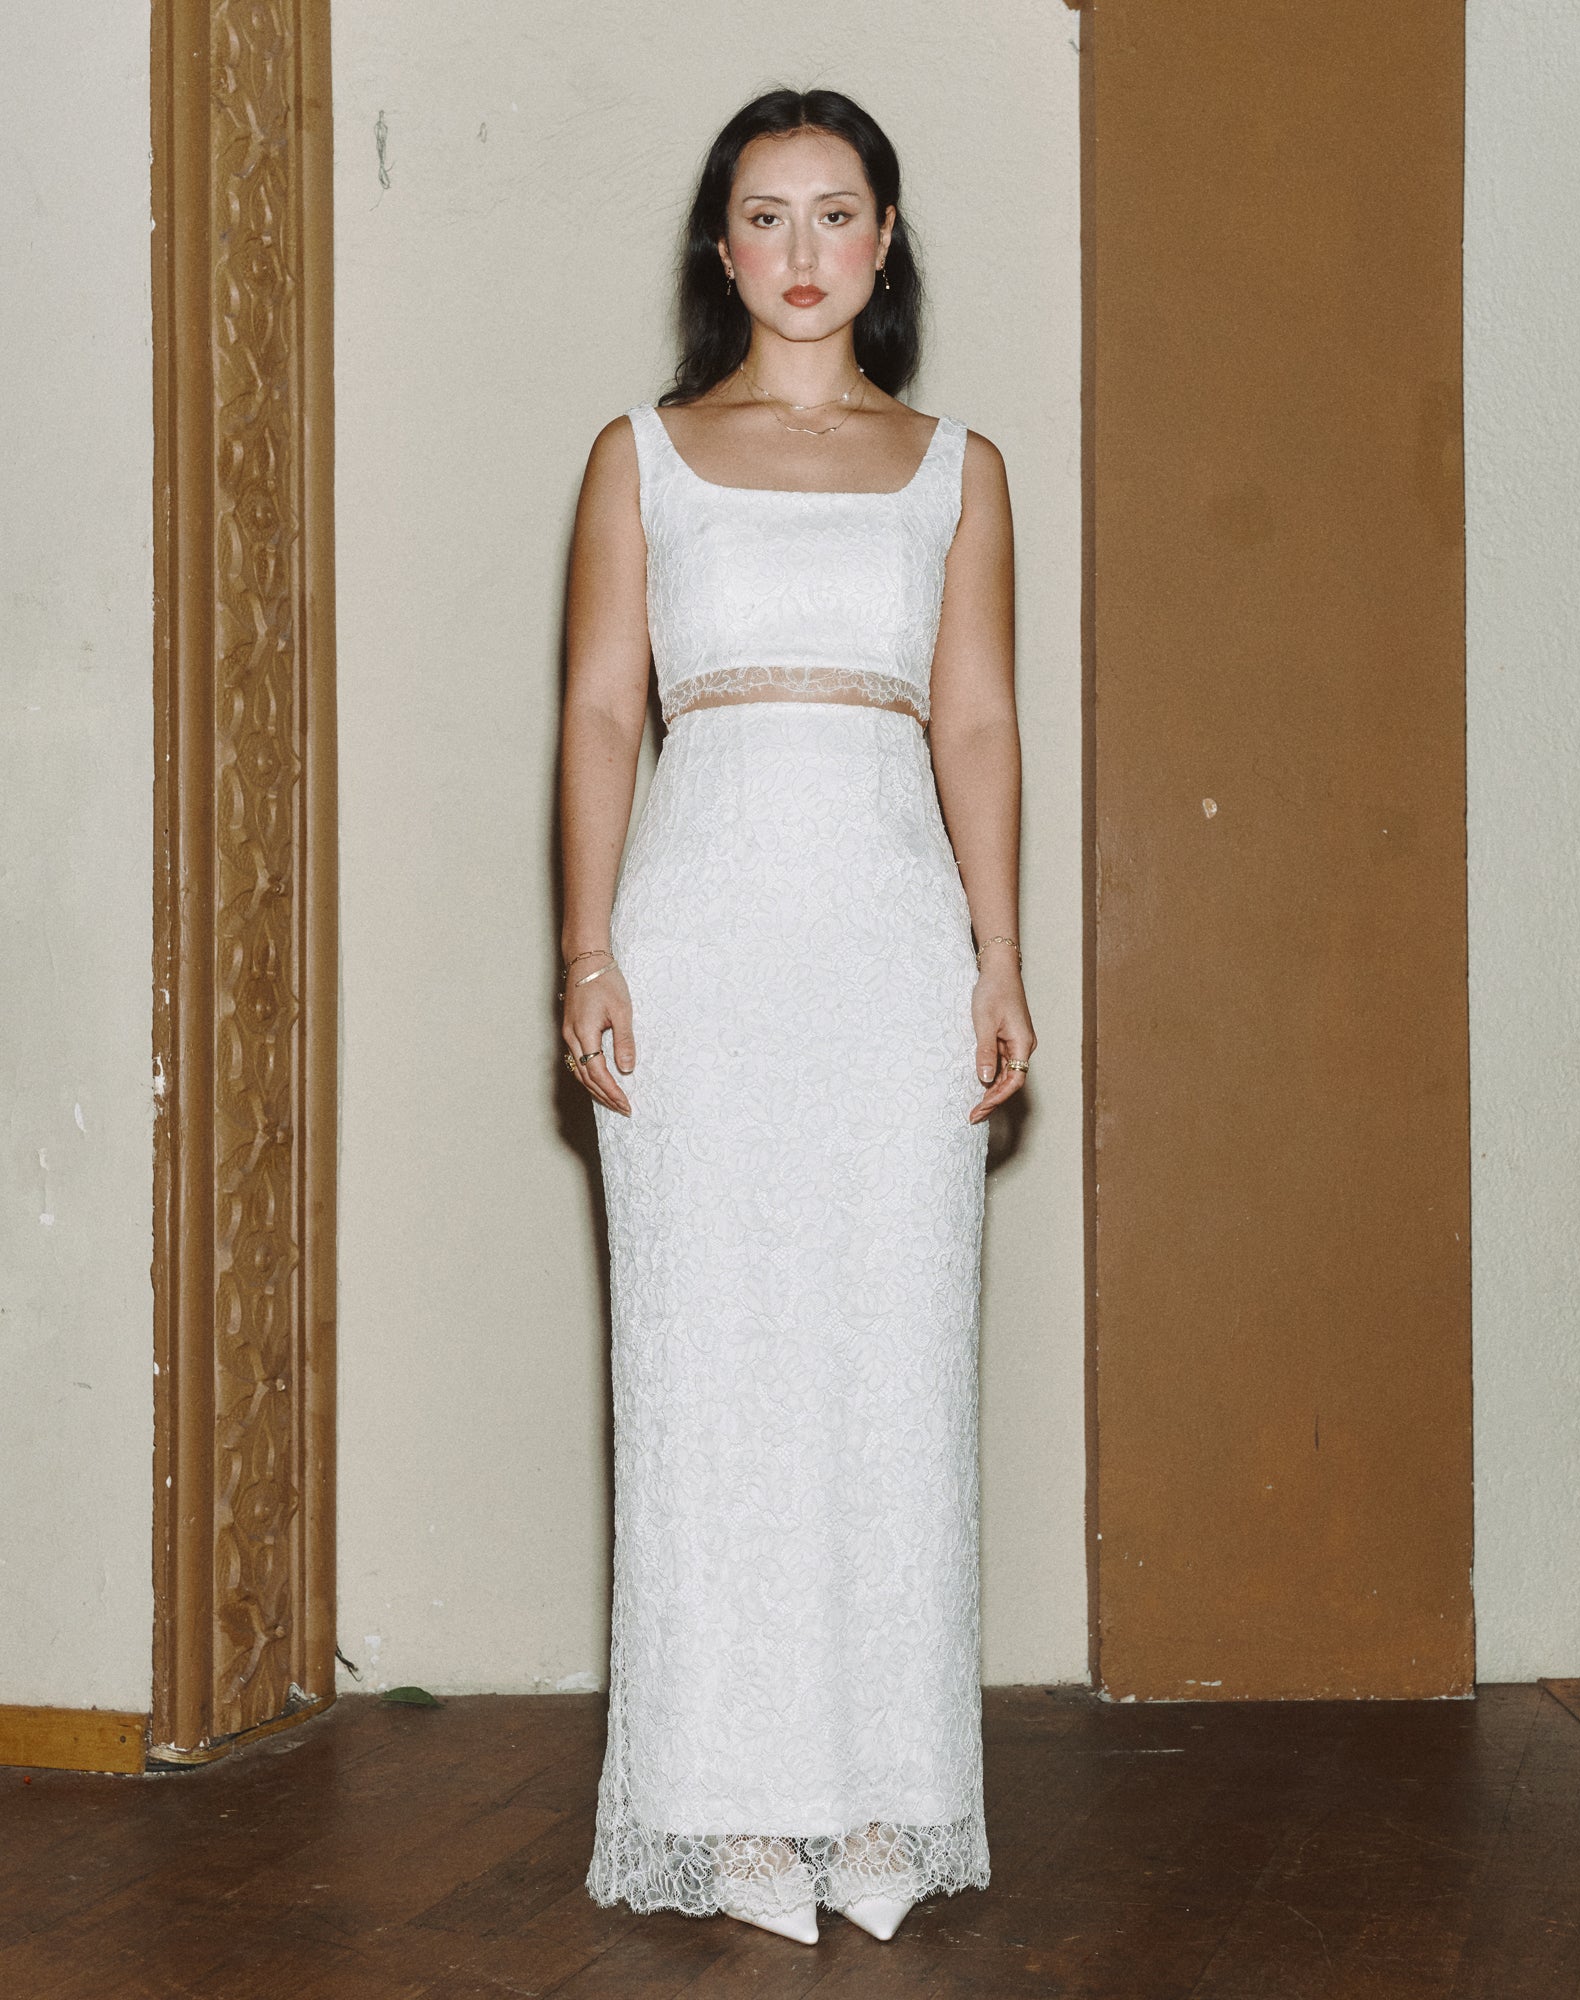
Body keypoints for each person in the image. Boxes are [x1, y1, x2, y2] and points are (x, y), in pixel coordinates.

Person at [557, 85, 1035, 1947]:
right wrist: (588, 949)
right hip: (701, 952)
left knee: (893, 1363)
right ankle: (734, 1805)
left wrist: (998, 955)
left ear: (886, 239)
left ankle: (889, 1793)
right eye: (768, 216)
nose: (805, 250)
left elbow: (975, 719)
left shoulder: (958, 466)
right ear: (724, 245)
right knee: (713, 1370)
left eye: (839, 213)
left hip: (890, 950)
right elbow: (606, 711)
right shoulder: (642, 456)